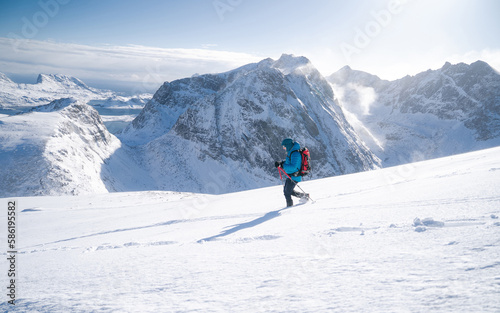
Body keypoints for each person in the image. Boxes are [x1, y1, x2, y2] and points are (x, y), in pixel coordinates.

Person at [275, 138, 309, 207]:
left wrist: (282, 165)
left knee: (287, 192)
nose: (284, 148)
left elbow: (294, 167)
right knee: (288, 191)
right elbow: (289, 162)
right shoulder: (291, 152)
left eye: (284, 146)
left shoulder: (295, 154)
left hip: (295, 176)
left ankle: (289, 207)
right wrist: (281, 163)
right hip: (291, 176)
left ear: (288, 145)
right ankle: (305, 196)